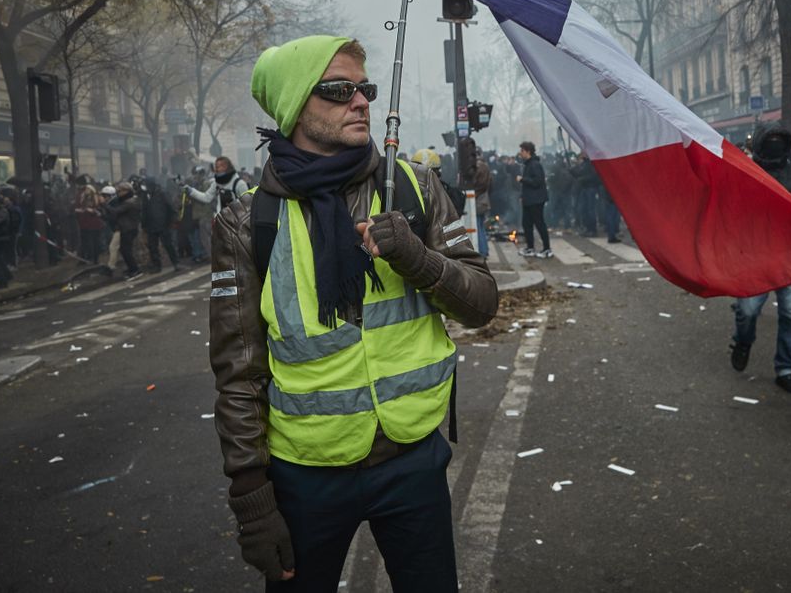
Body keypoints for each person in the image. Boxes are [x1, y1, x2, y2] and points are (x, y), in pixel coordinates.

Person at [208, 35, 497, 591]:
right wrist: (251, 498)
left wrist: (418, 258)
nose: (361, 100)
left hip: (413, 461)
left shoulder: (416, 187)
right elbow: (238, 372)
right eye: (339, 90)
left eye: (363, 88)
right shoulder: (245, 224)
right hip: (306, 478)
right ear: (294, 105)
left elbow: (482, 303)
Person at [728, 124, 791, 394]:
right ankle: (743, 341)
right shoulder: (744, 172)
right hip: (754, 255)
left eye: (780, 140)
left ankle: (785, 368)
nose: (775, 144)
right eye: (770, 140)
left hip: (788, 256)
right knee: (746, 311)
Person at [516, 141, 552, 258]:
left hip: (536, 200)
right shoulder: (528, 164)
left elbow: (537, 181)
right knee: (526, 224)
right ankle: (530, 247)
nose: (520, 153)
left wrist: (522, 179)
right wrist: (522, 196)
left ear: (528, 151)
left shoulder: (535, 165)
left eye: (522, 151)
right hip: (529, 200)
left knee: (540, 224)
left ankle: (547, 249)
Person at [140, 177, 181, 272]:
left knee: (168, 245)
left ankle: (176, 263)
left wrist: (173, 221)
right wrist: (144, 225)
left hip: (164, 224)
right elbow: (144, 211)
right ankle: (157, 266)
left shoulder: (162, 193)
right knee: (152, 247)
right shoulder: (146, 195)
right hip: (151, 226)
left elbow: (171, 207)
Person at [106, 182, 143, 280]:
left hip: (129, 228)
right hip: (126, 228)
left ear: (126, 191)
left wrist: (104, 205)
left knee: (126, 250)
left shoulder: (130, 202)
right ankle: (132, 268)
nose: (118, 193)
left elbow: (116, 211)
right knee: (124, 250)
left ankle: (135, 269)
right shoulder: (127, 201)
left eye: (120, 191)